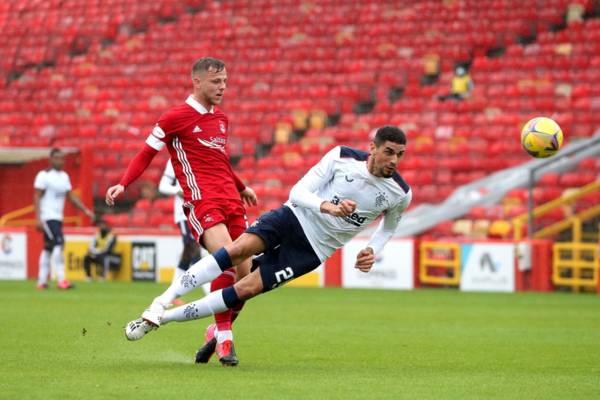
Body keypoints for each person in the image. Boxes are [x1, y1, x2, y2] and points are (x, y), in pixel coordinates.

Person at [123, 126, 413, 360]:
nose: (394, 161)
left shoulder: (399, 193)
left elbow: (388, 228)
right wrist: (328, 206)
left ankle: (163, 320)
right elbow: (298, 191)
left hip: (313, 249)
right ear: (373, 147)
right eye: (389, 152)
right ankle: (160, 304)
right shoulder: (342, 157)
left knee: (245, 289)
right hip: (293, 217)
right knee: (236, 252)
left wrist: (371, 250)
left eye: (400, 155)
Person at [105, 57, 257, 366]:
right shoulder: (174, 117)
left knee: (248, 277)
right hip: (203, 201)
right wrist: (124, 184)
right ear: (197, 82)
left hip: (231, 200)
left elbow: (221, 160)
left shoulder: (222, 119)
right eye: (216, 81)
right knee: (226, 259)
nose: (223, 87)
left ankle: (214, 331)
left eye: (225, 81)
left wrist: (241, 186)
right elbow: (146, 153)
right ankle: (225, 340)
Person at [34, 148, 95, 289]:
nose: (60, 161)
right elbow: (37, 196)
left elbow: (71, 197)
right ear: (50, 159)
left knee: (48, 248)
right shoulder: (43, 176)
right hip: (48, 217)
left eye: (62, 159)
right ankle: (61, 280)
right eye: (57, 158)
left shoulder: (64, 176)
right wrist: (38, 218)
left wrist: (85, 210)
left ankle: (41, 282)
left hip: (57, 217)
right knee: (59, 244)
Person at [158, 159, 209, 294]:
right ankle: (209, 291)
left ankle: (171, 293)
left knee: (188, 251)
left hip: (201, 210)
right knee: (194, 247)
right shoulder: (175, 159)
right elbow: (163, 185)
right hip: (184, 213)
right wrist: (178, 190)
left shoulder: (201, 154)